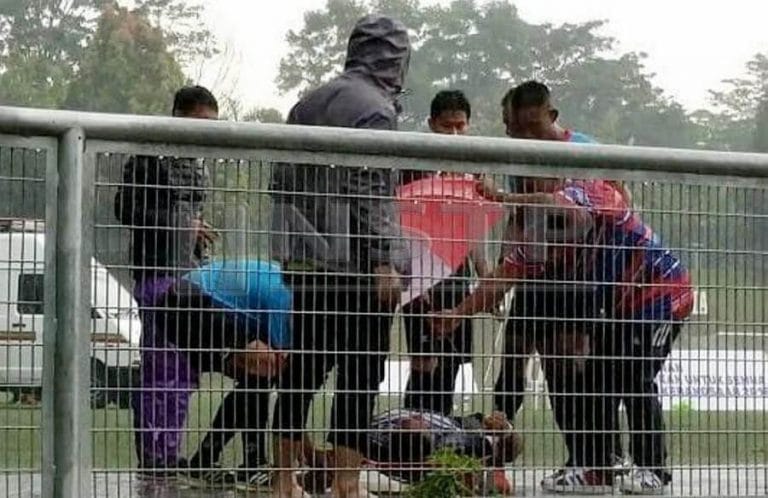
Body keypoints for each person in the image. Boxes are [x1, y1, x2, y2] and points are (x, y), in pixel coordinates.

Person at [433, 175, 693, 495]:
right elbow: (499, 281)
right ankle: (599, 468)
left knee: (633, 377)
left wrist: (503, 196)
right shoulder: (535, 246)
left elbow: (557, 202)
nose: (552, 255)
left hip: (662, 295)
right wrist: (457, 314)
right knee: (594, 380)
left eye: (560, 241)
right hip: (620, 309)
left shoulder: (596, 196)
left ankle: (652, 469)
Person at [269, 15, 411, 498]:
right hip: (354, 269)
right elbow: (369, 189)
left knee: (303, 371)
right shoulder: (376, 110)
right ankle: (345, 485)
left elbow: (282, 182)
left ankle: (284, 482)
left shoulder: (306, 103)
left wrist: (288, 253)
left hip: (307, 262)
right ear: (395, 60)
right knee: (360, 373)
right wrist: (384, 260)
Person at [115, 86, 283, 481]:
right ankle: (158, 457)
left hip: (194, 278)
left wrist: (194, 232)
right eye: (198, 124)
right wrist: (179, 225)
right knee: (165, 368)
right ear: (177, 115)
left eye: (212, 125)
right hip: (158, 274)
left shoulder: (198, 165)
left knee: (196, 370)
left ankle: (191, 453)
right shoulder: (149, 157)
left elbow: (186, 215)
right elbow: (126, 208)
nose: (205, 133)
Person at [399, 90, 490, 416]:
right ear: (432, 124)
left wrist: (485, 276)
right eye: (446, 126)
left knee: (451, 359)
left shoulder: (473, 172)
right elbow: (403, 224)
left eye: (460, 126)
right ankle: (410, 437)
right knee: (425, 360)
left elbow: (474, 227)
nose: (454, 134)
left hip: (457, 277)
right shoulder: (414, 168)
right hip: (422, 274)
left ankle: (440, 432)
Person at [185, 259, 292, 489]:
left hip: (199, 295)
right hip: (195, 301)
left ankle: (205, 460)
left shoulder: (289, 287)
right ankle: (252, 466)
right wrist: (306, 451)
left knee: (256, 379)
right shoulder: (285, 298)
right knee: (263, 372)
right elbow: (282, 367)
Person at [300, 409, 521, 496]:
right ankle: (312, 456)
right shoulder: (471, 438)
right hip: (404, 438)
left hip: (403, 439)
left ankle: (310, 455)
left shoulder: (470, 440)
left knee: (422, 442)